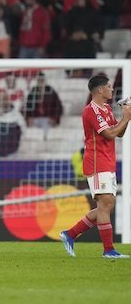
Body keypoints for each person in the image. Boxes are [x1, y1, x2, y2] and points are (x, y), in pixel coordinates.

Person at [60, 75, 131, 259]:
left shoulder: (106, 108)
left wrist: (126, 118)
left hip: (107, 161)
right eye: (109, 86)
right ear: (100, 90)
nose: (112, 89)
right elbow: (109, 134)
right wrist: (126, 116)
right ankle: (108, 250)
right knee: (105, 205)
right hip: (97, 162)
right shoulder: (91, 111)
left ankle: (70, 234)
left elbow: (119, 133)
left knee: (105, 206)